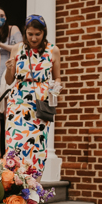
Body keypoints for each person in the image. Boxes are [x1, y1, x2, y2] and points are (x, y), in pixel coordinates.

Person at [4, 14, 61, 174]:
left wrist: (56, 86)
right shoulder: (17, 49)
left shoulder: (53, 50)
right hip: (17, 103)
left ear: (44, 32)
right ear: (25, 32)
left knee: (37, 148)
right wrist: (9, 68)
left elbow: (57, 77)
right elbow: (9, 81)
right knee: (14, 145)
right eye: (30, 34)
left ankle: (33, 191)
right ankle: (13, 185)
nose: (34, 38)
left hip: (40, 105)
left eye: (38, 34)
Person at [0, 7, 23, 153]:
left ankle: (9, 148)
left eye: (1, 15)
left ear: (6, 16)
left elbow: (20, 47)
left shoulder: (13, 29)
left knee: (7, 111)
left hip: (8, 71)